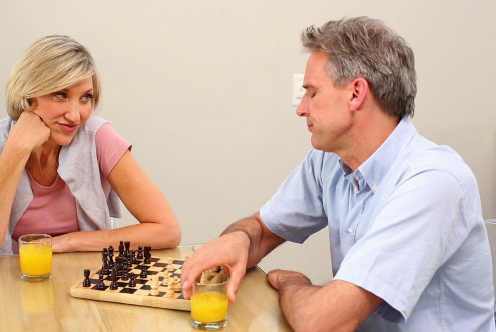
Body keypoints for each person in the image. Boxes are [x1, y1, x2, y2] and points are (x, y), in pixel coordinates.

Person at [181, 16, 495, 331]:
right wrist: (239, 239)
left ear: (356, 93)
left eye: (312, 93)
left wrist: (292, 282)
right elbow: (262, 230)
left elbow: (321, 323)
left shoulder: (433, 181)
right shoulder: (328, 160)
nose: (301, 108)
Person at [0, 35, 181, 265]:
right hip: (12, 279)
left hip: (86, 277)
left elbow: (167, 231)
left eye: (85, 98)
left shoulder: (97, 137)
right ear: (27, 95)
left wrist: (67, 242)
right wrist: (16, 150)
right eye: (61, 95)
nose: (75, 116)